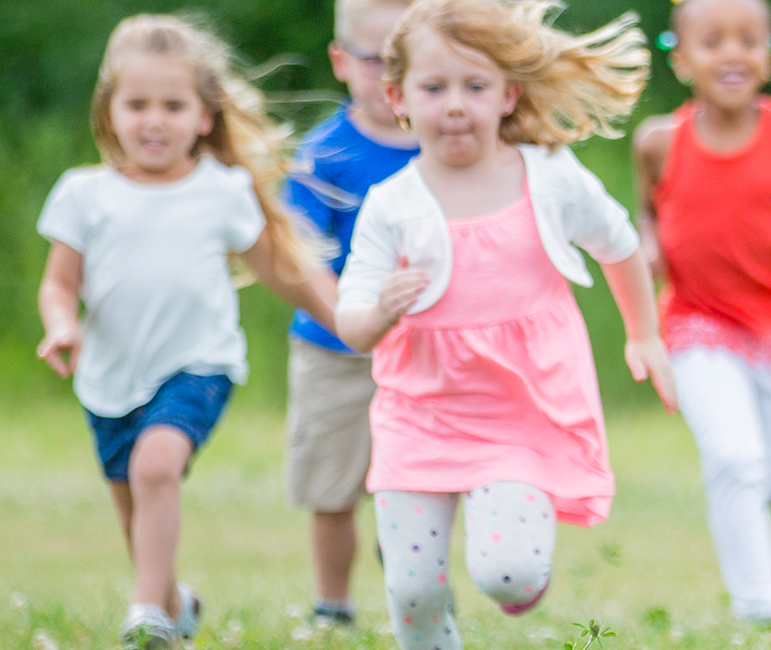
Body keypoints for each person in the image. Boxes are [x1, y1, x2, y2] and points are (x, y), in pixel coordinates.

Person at [330, 1, 672, 647]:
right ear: (398, 96)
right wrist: (379, 313)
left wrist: (643, 334)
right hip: (417, 413)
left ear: (508, 95)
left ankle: (523, 570)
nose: (454, 105)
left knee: (508, 575)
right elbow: (351, 319)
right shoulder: (391, 205)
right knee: (412, 590)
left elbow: (620, 244)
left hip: (521, 411)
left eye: (474, 86)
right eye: (434, 88)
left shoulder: (548, 179)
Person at [34, 14, 339, 648]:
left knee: (156, 469)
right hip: (109, 379)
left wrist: (349, 321)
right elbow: (59, 283)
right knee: (137, 510)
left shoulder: (221, 192)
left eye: (173, 106)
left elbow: (281, 270)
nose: (153, 120)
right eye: (137, 104)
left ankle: (146, 613)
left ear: (204, 117)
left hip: (198, 365)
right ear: (109, 113)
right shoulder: (83, 195)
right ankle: (174, 602)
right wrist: (61, 327)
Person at [632, 0, 771, 624]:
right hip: (697, 325)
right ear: (681, 58)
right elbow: (645, 210)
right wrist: (647, 243)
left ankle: (746, 500)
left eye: (749, 40)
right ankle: (759, 610)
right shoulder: (657, 143)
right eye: (713, 41)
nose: (732, 53)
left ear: (769, 56)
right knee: (734, 458)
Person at [282, 0, 423, 627]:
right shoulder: (324, 156)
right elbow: (299, 255)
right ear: (341, 62)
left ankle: (414, 602)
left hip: (423, 352)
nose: (390, 76)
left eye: (406, 61)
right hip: (335, 349)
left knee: (417, 490)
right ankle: (332, 605)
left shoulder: (447, 146)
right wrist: (347, 314)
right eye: (374, 61)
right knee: (333, 488)